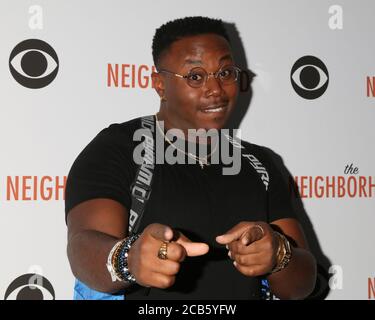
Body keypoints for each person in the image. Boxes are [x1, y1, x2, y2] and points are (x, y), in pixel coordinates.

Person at [65, 16, 317, 300]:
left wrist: (278, 254)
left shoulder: (260, 163)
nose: (216, 89)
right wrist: (129, 258)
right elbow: (82, 247)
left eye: (225, 73)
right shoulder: (118, 148)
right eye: (195, 76)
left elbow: (303, 283)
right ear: (159, 85)